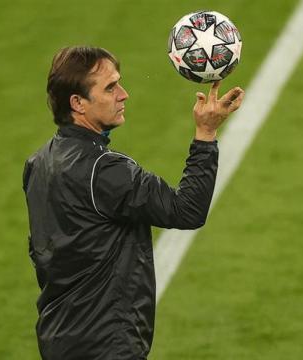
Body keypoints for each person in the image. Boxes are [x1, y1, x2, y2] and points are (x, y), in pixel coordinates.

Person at [22, 46, 244, 359]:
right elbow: (188, 210)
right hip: (108, 345)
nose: (123, 94)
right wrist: (205, 133)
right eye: (110, 87)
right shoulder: (107, 170)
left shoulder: (38, 163)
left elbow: (41, 250)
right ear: (78, 104)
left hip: (58, 338)